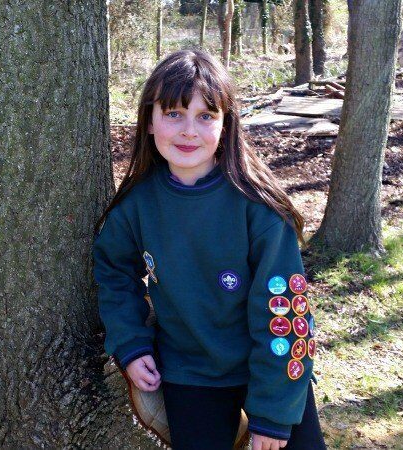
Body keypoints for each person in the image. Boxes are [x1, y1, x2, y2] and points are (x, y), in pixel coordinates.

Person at [92, 49, 326, 450]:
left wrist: (272, 412)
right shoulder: (136, 206)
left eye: (205, 116)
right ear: (149, 121)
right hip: (189, 374)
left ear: (225, 124)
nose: (188, 131)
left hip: (269, 371)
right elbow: (113, 271)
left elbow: (285, 310)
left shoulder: (259, 209)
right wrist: (130, 343)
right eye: (174, 114)